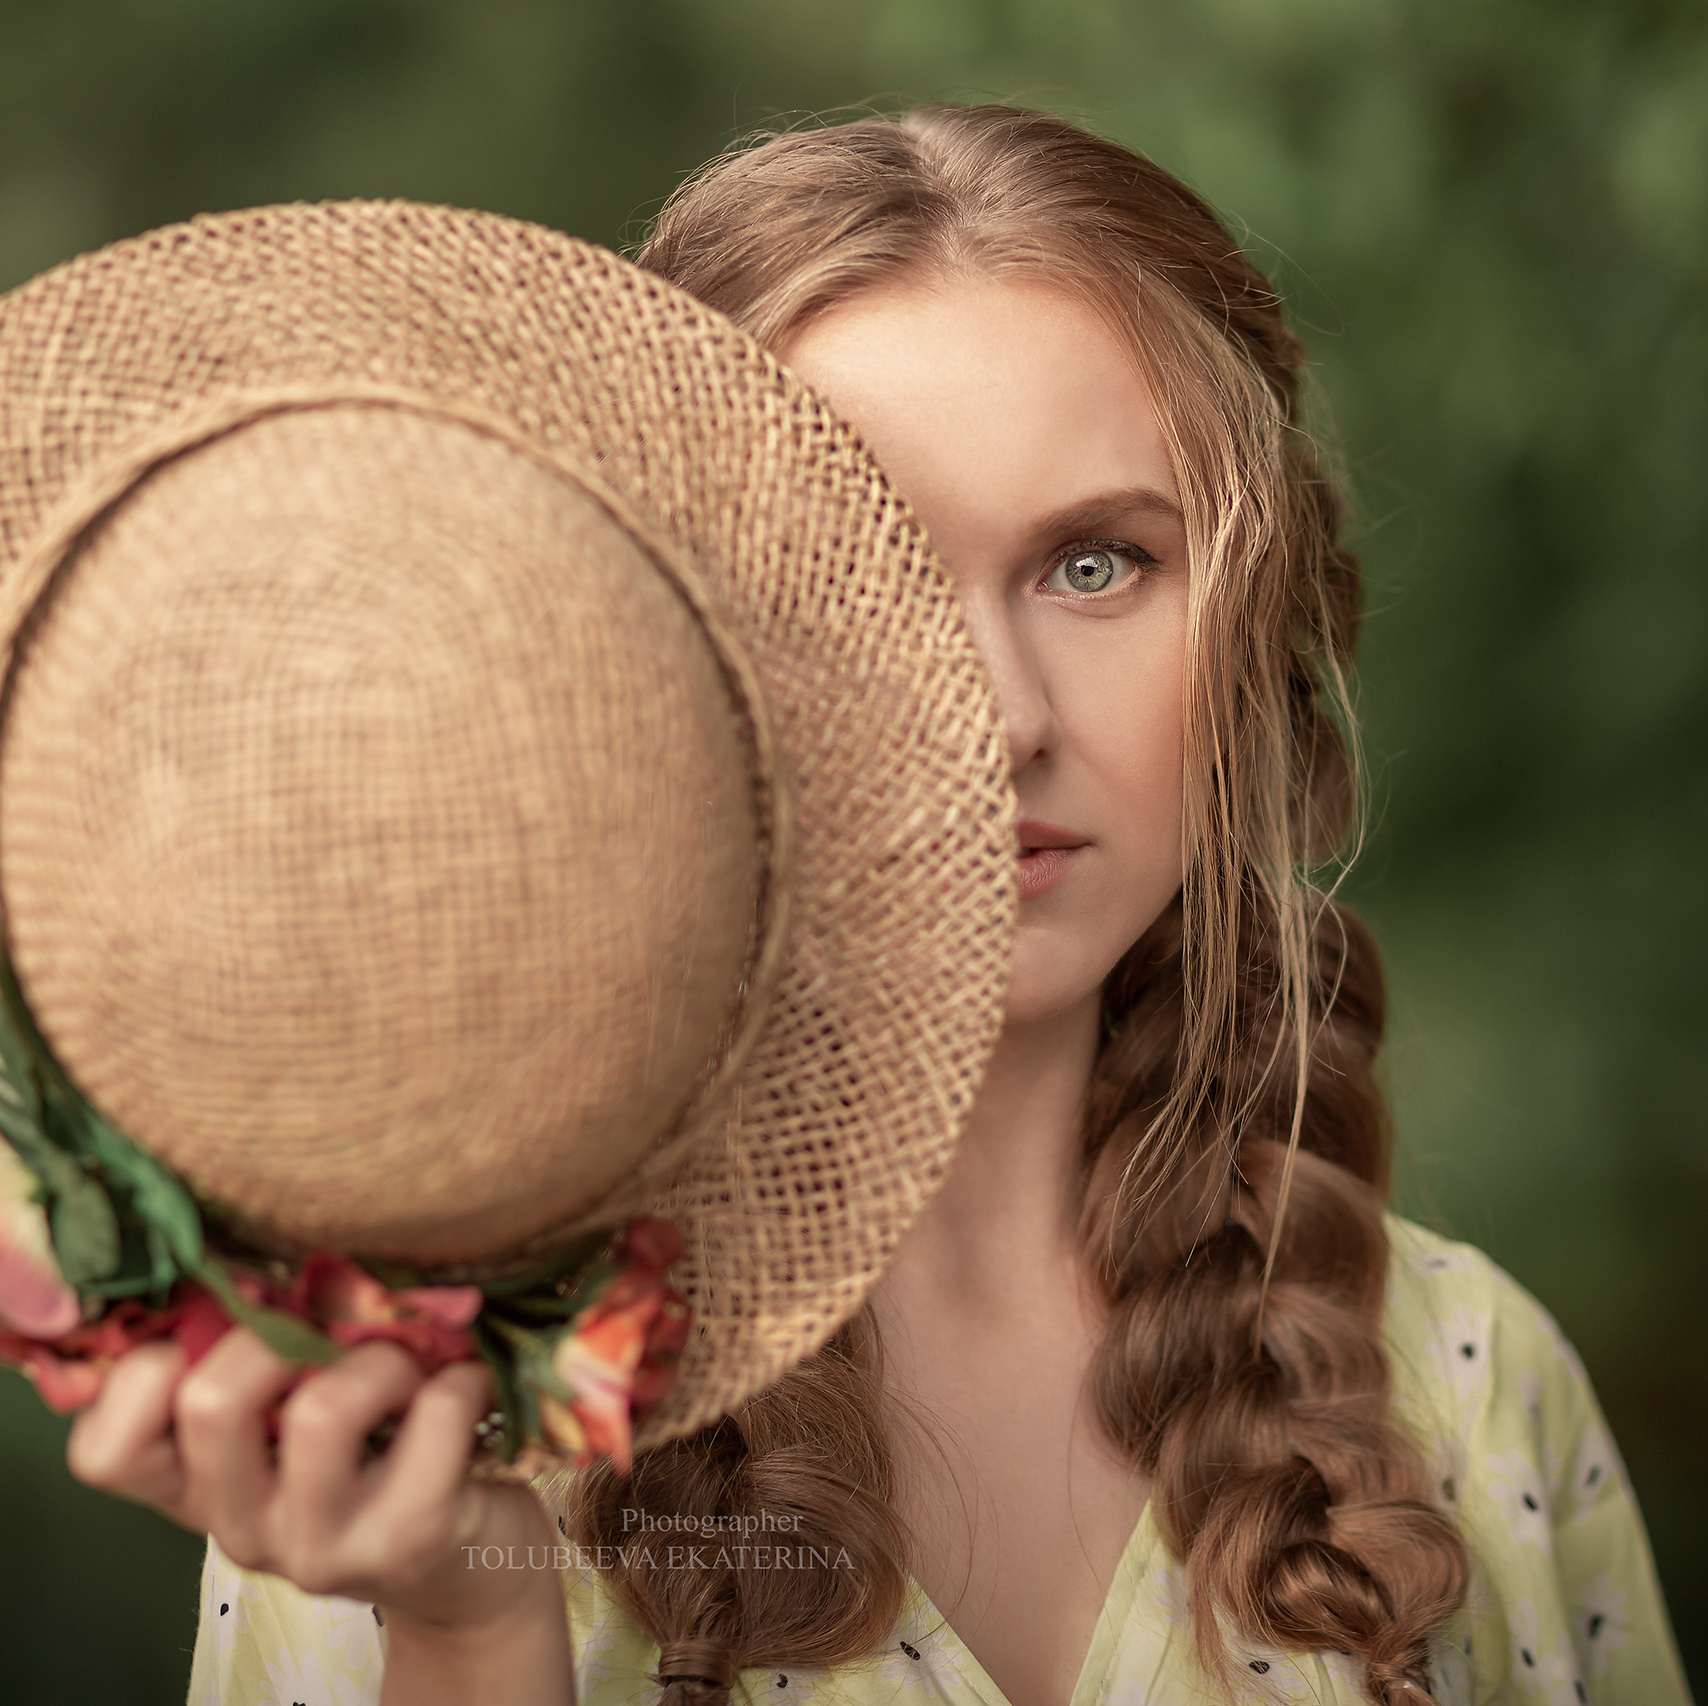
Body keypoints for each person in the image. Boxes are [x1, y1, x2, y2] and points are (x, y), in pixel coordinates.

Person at [77, 105, 1690, 1706]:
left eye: (1095, 565)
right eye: (850, 571)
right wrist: (461, 1627)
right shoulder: (423, 1414)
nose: (999, 716)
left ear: (1257, 642)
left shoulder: (1479, 1396)